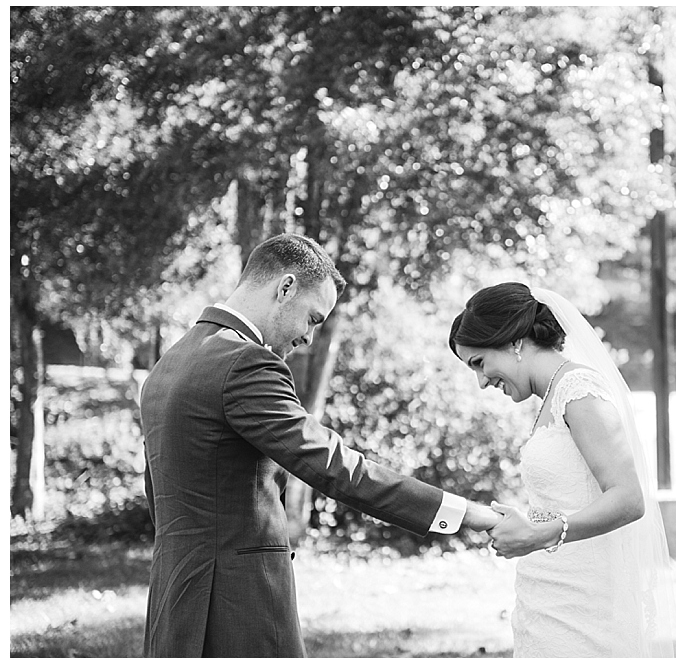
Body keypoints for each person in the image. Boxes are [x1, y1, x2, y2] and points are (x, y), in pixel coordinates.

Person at [140, 233, 499, 657]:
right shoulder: (244, 363)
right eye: (312, 318)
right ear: (285, 287)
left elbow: (159, 490)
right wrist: (463, 513)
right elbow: (334, 466)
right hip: (239, 602)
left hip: (175, 596)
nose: (309, 339)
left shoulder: (172, 362)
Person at [449, 282, 676, 658]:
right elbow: (568, 499)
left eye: (479, 363)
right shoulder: (552, 397)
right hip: (547, 596)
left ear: (513, 342)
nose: (481, 382)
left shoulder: (579, 390)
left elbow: (628, 498)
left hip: (585, 604)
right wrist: (527, 524)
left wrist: (539, 535)